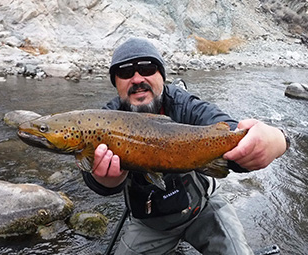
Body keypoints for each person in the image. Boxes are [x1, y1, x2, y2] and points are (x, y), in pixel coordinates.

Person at [82, 37, 289, 255]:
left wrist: (277, 140)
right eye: (125, 73)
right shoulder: (103, 119)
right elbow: (92, 176)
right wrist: (105, 182)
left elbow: (228, 131)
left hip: (204, 208)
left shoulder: (184, 104)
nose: (136, 79)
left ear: (161, 76)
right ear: (116, 83)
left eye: (147, 68)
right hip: (150, 224)